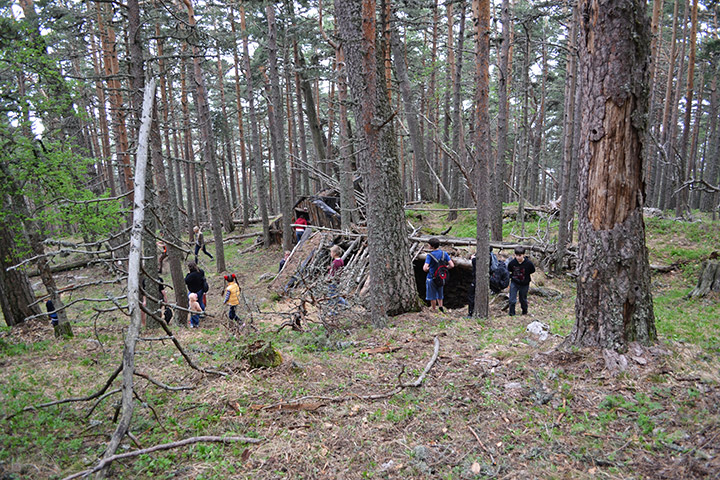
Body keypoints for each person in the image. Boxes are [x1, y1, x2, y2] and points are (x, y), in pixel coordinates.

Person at [423, 237, 454, 312]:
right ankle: (441, 307)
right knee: (440, 293)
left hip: (431, 277)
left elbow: (425, 268)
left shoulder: (430, 256)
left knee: (432, 295)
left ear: (431, 246)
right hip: (441, 276)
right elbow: (452, 265)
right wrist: (445, 268)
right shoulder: (444, 253)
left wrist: (428, 269)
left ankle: (434, 309)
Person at [507, 246, 536, 316]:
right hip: (514, 282)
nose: (518, 257)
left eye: (520, 255)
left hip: (524, 284)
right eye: (516, 255)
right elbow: (509, 270)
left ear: (523, 255)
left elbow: (532, 270)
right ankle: (511, 313)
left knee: (523, 299)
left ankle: (524, 311)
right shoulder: (512, 263)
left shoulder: (528, 263)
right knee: (512, 299)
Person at [327, 245, 347, 309]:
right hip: (337, 280)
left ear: (335, 253)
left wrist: (329, 279)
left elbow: (333, 272)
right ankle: (345, 304)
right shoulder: (341, 260)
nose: (331, 254)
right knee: (334, 294)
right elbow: (338, 269)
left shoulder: (335, 262)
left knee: (332, 295)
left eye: (331, 252)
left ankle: (334, 310)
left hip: (333, 281)